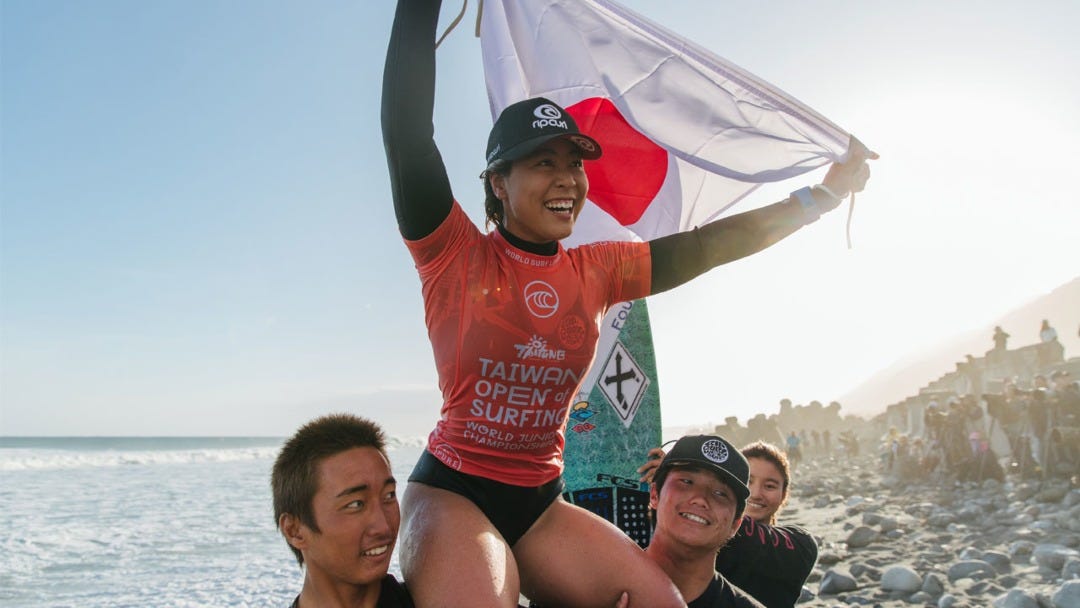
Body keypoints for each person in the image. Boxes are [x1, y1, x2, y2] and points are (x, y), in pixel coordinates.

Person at [381, 1, 875, 605]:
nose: (567, 179)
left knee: (661, 604)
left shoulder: (597, 269)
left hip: (540, 500)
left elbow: (708, 247)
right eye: (544, 163)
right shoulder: (452, 252)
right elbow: (407, 134)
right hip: (454, 490)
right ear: (497, 182)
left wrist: (819, 197)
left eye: (574, 165)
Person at [641, 441, 817, 608]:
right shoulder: (706, 541)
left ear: (784, 494)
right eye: (749, 482)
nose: (755, 494)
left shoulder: (800, 545)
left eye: (769, 486)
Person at [271, 413, 414, 608]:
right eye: (355, 504)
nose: (383, 527)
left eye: (388, 495)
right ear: (294, 530)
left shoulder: (442, 600)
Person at [646, 435, 766, 607]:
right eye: (686, 481)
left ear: (735, 524)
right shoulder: (603, 587)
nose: (701, 499)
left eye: (720, 493)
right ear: (655, 494)